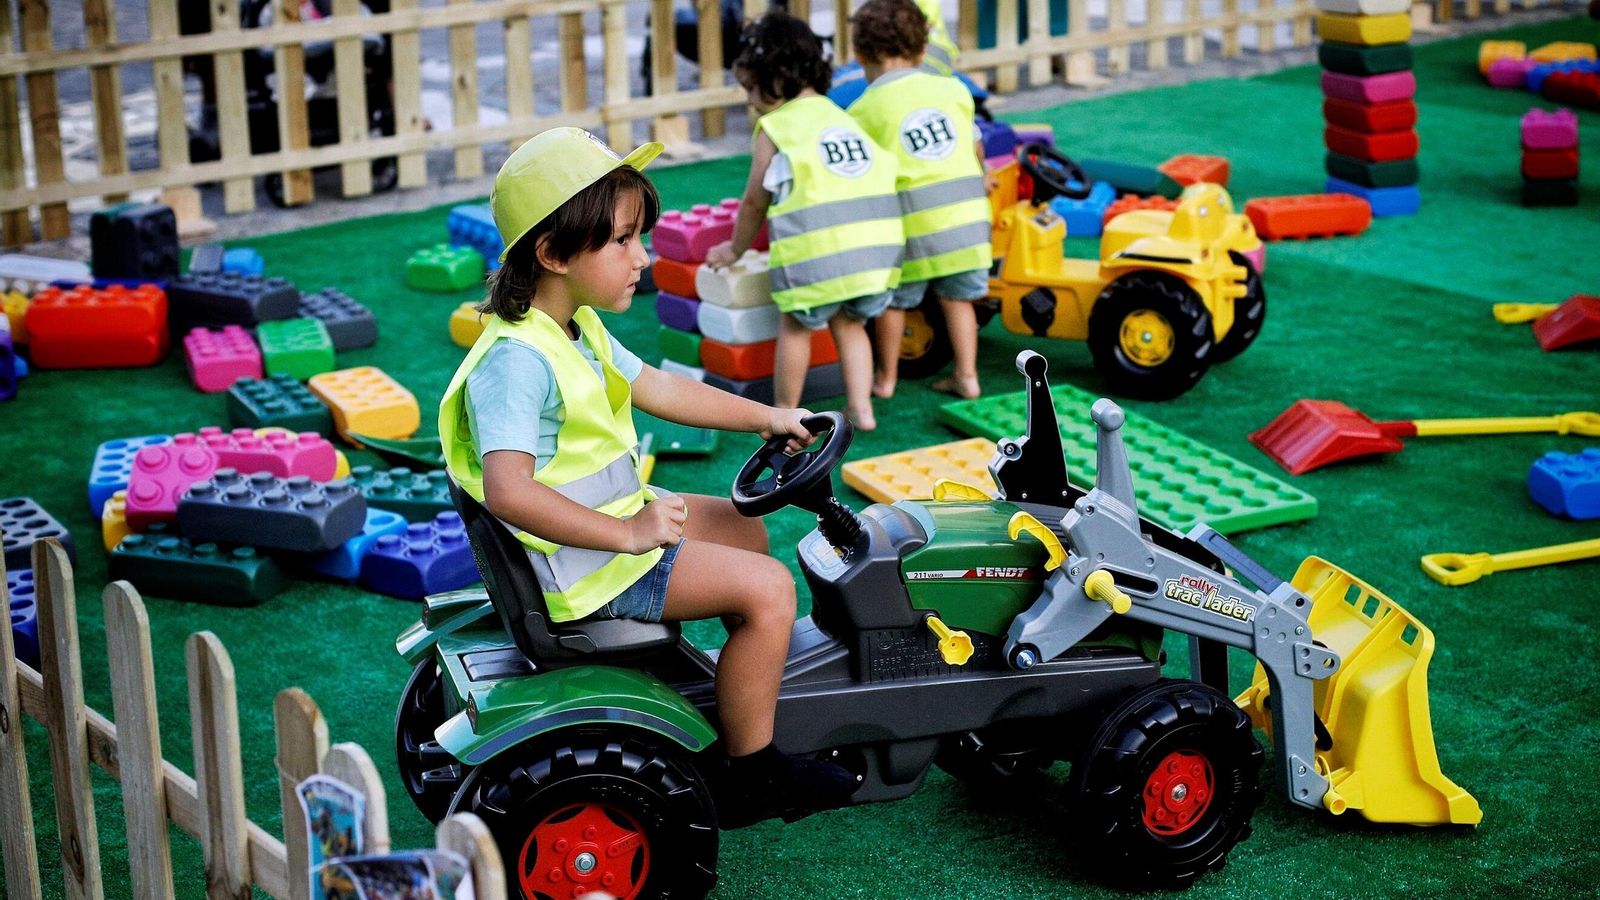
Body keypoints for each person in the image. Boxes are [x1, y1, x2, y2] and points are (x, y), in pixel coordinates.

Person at [438, 127, 859, 810]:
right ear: (551, 252)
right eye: (623, 240)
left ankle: (733, 684)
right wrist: (632, 534)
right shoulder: (516, 364)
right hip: (589, 567)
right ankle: (752, 766)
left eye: (641, 236)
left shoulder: (573, 327)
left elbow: (660, 389)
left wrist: (767, 416)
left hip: (603, 537)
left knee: (746, 530)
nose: (644, 256)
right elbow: (511, 489)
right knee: (771, 589)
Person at [704, 13, 904, 432]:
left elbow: (755, 199)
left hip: (817, 255)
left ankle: (784, 413)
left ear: (775, 77)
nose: (750, 102)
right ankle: (861, 409)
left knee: (796, 327)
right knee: (850, 324)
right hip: (874, 252)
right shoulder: (844, 118)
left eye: (750, 89)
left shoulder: (777, 126)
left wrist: (734, 248)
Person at [848, 0, 993, 400]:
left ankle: (886, 380)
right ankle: (967, 376)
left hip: (913, 225)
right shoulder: (953, 89)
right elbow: (974, 147)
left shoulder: (865, 108)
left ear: (860, 55)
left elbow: (866, 174)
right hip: (968, 220)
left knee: (895, 304)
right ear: (924, 48)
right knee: (959, 299)